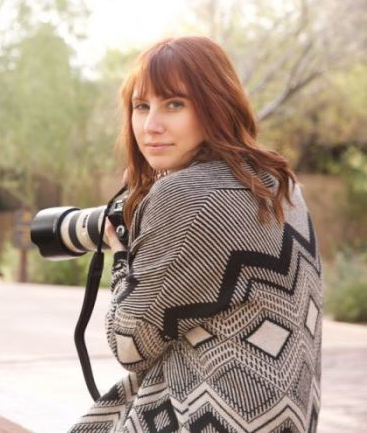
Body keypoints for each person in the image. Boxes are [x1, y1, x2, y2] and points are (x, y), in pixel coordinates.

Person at [70, 37, 321, 433]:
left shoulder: (186, 194)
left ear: (214, 106)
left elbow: (130, 345)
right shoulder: (279, 185)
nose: (151, 126)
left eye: (175, 104)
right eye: (141, 106)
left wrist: (121, 253)